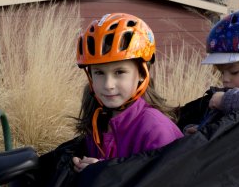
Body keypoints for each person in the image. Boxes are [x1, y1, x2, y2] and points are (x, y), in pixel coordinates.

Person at [72, 13, 183, 172]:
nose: (108, 85)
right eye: (99, 73)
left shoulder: (155, 129)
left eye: (119, 72)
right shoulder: (98, 121)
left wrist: (103, 173)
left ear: (142, 74)